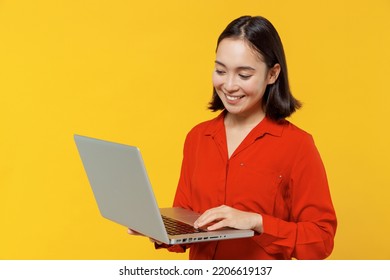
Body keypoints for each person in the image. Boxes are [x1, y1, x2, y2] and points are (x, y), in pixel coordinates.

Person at [128, 15, 337, 260]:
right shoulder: (198, 137)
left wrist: (257, 222)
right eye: (220, 70)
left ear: (272, 74)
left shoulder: (297, 145)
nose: (228, 85)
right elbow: (186, 219)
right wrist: (160, 230)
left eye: (244, 75)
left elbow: (321, 239)